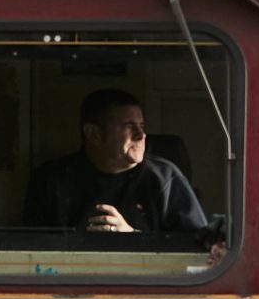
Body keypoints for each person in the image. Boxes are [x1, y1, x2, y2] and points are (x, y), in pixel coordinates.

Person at [22, 87, 208, 235]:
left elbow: (196, 248)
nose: (141, 135)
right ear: (93, 134)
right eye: (129, 127)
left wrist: (132, 237)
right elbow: (30, 248)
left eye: (142, 126)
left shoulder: (165, 177)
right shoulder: (50, 180)